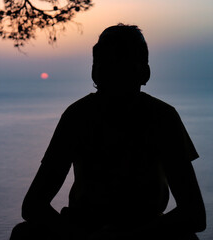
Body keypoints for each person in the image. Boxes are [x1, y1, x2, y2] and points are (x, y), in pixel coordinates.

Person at [10, 24, 206, 240]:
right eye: (108, 63)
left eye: (123, 62)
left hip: (142, 230)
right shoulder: (79, 116)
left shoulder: (162, 118)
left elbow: (195, 215)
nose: (116, 72)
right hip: (86, 229)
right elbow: (32, 205)